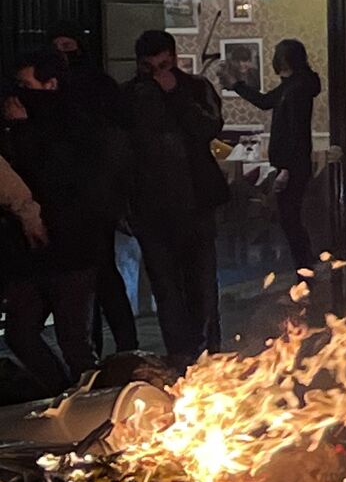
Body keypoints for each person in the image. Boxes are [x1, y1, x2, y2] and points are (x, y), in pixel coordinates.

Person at [121, 31, 228, 366]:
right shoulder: (129, 97)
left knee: (202, 289)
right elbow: (122, 152)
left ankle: (208, 356)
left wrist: (177, 94)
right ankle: (181, 358)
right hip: (150, 207)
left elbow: (209, 127)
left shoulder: (194, 88)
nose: (156, 72)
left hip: (195, 202)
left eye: (163, 65)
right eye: (148, 67)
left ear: (174, 59)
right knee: (166, 292)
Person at [0, 51, 105, 394]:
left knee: (74, 339)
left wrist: (23, 127)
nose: (18, 94)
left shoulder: (72, 123)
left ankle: (93, 406)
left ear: (50, 85)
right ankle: (59, 392)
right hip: (31, 249)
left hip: (71, 246)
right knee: (21, 331)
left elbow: (54, 173)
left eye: (26, 85)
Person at [50, 21, 139, 354]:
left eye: (67, 47)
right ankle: (110, 346)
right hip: (83, 195)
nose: (63, 56)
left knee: (98, 273)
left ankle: (113, 346)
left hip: (92, 196)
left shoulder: (90, 89)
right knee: (97, 275)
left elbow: (113, 142)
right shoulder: (91, 88)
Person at [218, 39, 320, 271]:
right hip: (296, 164)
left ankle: (305, 268)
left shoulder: (295, 88)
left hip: (292, 165)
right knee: (290, 219)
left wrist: (286, 169)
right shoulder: (296, 85)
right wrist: (237, 85)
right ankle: (305, 268)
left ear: (283, 59)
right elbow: (266, 102)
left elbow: (296, 132)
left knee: (290, 219)